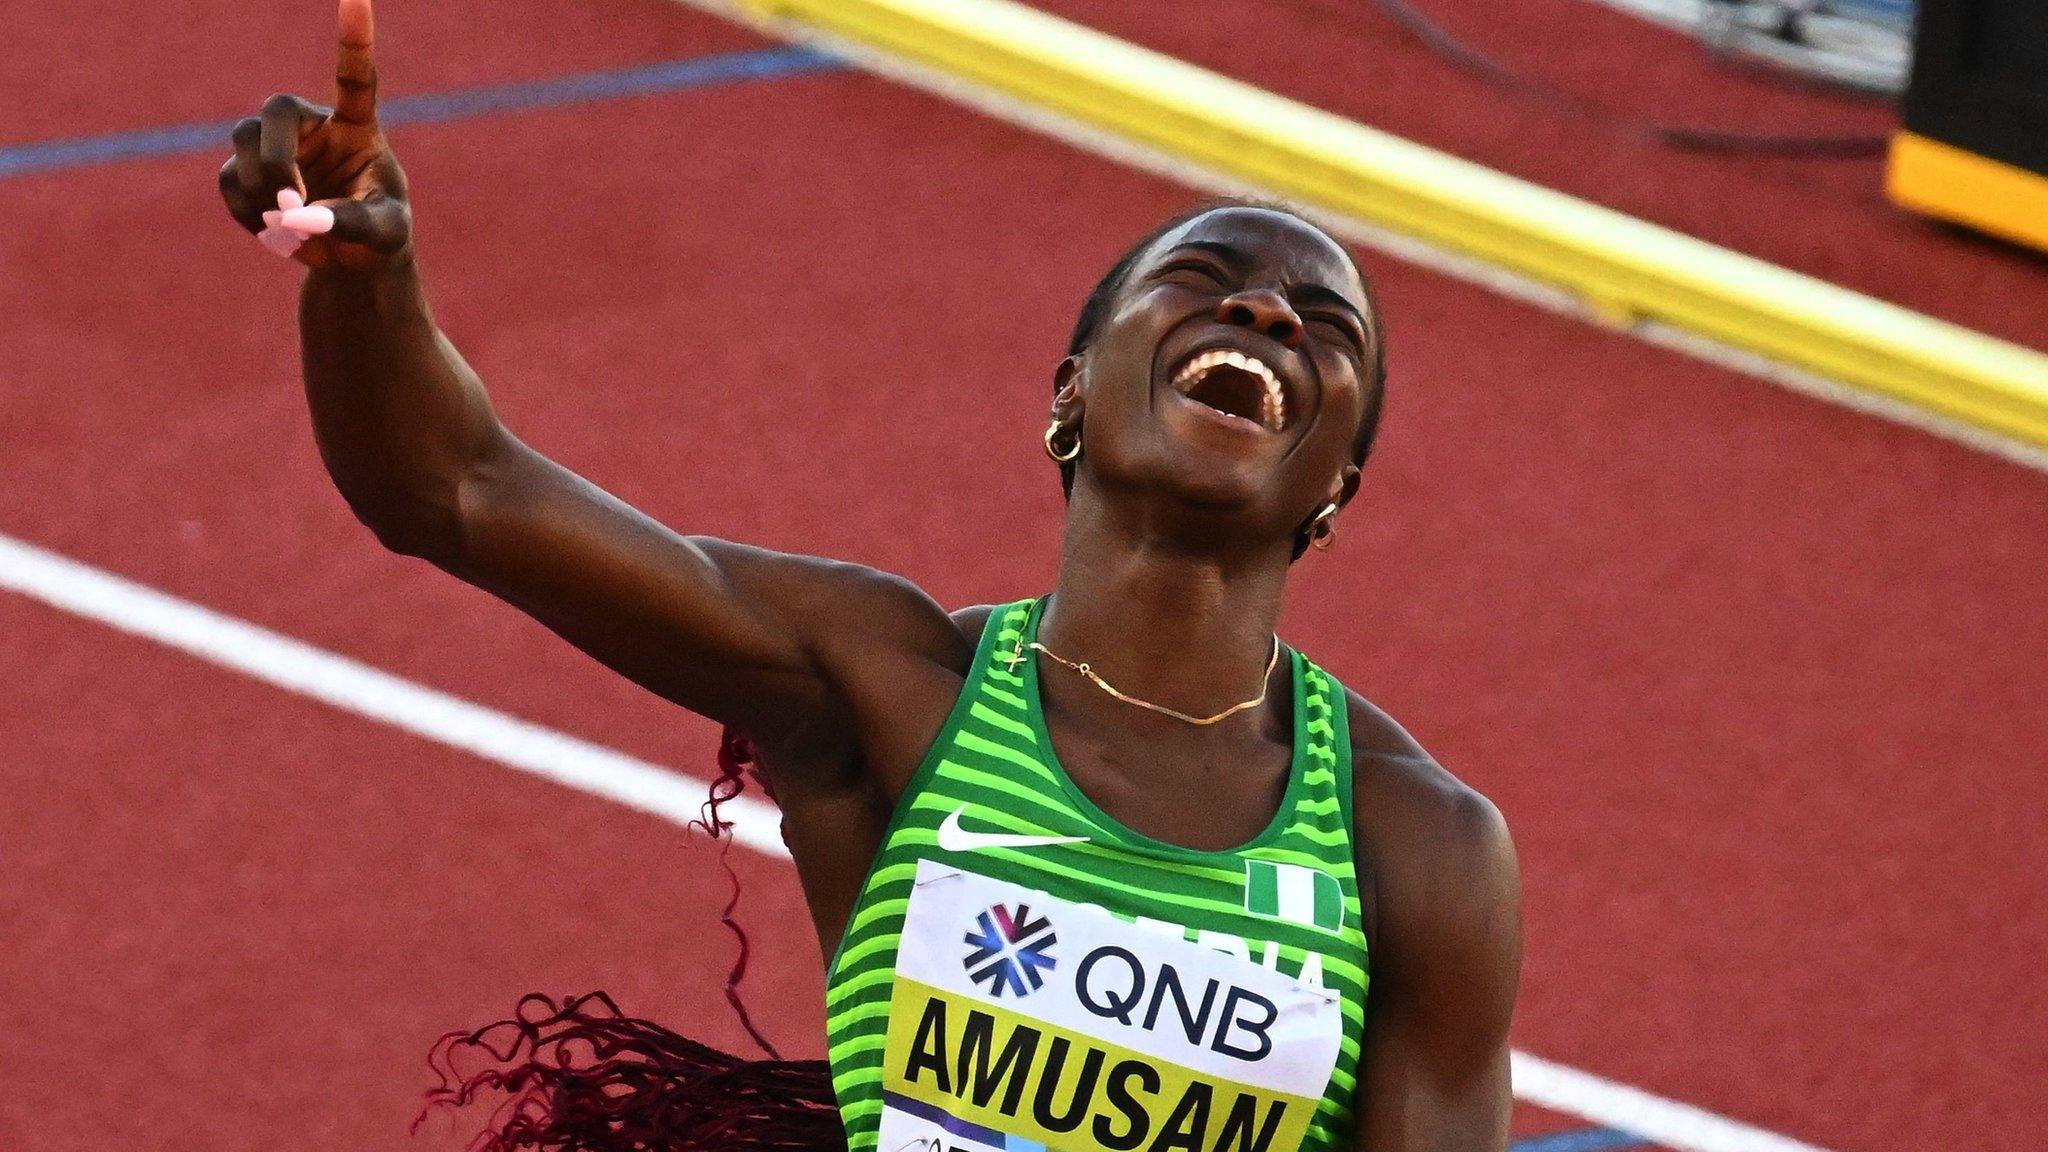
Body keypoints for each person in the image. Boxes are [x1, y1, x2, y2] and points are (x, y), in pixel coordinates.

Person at [217, 2, 1523, 1148]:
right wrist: (365, 279)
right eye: (1202, 279)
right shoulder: (892, 689)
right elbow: (455, 489)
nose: (1269, 314)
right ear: (1071, 398)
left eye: (1327, 327)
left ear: (1335, 487)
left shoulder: (1413, 847)